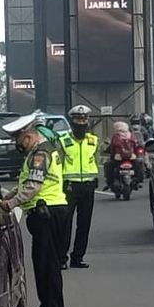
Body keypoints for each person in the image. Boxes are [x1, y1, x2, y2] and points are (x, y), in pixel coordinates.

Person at [0, 113, 68, 307]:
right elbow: (26, 183)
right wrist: (7, 197)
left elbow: (33, 187)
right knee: (46, 264)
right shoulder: (43, 151)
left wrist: (10, 204)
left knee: (47, 266)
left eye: (18, 140)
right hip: (50, 211)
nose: (16, 145)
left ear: (28, 135)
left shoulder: (39, 154)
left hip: (46, 213)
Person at [59, 105, 99, 270]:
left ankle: (78, 257)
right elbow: (58, 163)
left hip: (88, 186)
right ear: (72, 122)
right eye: (78, 120)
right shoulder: (64, 141)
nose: (81, 124)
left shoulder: (93, 140)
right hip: (69, 187)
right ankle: (62, 258)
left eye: (84, 120)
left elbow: (96, 160)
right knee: (65, 224)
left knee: (84, 224)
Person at [103, 121, 144, 190]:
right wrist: (136, 155)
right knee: (139, 164)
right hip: (131, 158)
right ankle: (138, 181)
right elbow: (136, 147)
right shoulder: (131, 136)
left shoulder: (116, 137)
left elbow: (112, 149)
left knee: (108, 165)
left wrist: (112, 156)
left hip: (118, 159)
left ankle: (109, 183)